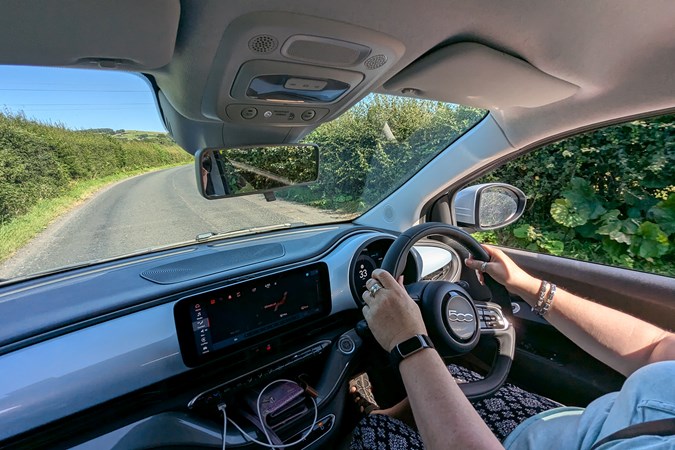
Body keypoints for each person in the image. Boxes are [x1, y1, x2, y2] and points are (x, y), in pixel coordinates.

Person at [351, 245, 675, 449]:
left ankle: (375, 419)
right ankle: (387, 414)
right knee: (452, 377)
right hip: (565, 425)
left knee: (368, 434)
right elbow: (655, 349)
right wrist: (528, 286)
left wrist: (408, 341)